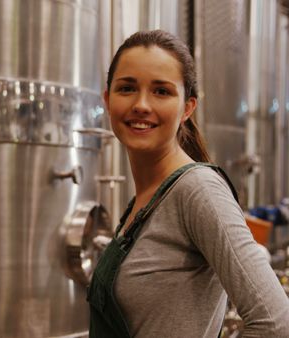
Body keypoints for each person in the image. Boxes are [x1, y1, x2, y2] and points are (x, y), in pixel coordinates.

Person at [87, 29, 289, 337]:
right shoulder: (146, 200)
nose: (141, 104)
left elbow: (276, 323)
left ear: (188, 108)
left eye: (161, 92)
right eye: (127, 88)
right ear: (107, 99)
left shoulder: (198, 190)